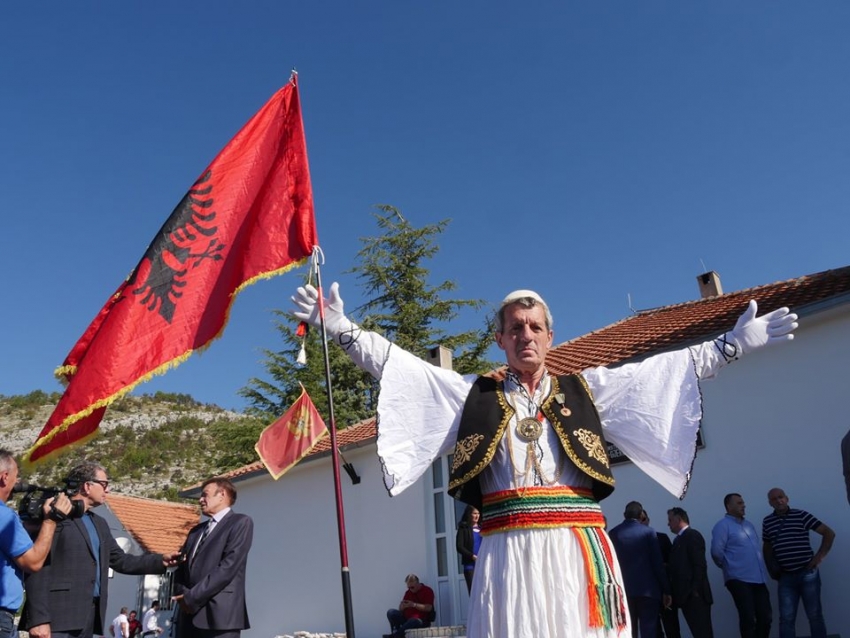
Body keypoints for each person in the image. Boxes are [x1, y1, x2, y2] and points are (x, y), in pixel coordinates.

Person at [293, 283, 797, 638]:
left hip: (579, 547)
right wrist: (340, 327)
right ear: (501, 339)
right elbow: (397, 367)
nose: (526, 334)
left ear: (550, 336)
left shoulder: (588, 389)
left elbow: (664, 372)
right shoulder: (473, 395)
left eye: (535, 326)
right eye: (515, 327)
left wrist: (731, 345)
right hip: (508, 551)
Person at [22, 461, 179, 638]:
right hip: (57, 619)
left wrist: (161, 561)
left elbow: (122, 561)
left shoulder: (100, 523)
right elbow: (37, 566)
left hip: (89, 618)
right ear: (87, 486)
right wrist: (38, 619)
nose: (108, 490)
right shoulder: (54, 515)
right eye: (104, 484)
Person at [0, 449, 72, 638]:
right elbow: (33, 562)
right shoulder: (5, 517)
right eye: (16, 477)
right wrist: (50, 521)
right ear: (4, 477)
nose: (17, 483)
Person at [173, 477, 253, 638]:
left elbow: (227, 568)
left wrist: (192, 597)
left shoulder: (240, 523)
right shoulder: (196, 531)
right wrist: (182, 595)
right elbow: (181, 568)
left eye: (205, 495)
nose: (200, 500)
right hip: (188, 617)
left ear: (222, 495)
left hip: (220, 617)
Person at [762, 487, 834, 638]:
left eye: (780, 497)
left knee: (814, 615)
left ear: (787, 498)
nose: (778, 500)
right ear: (770, 503)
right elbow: (767, 547)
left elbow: (828, 533)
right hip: (785, 577)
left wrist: (819, 557)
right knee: (786, 619)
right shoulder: (767, 522)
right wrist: (772, 570)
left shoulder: (801, 515)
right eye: (774, 499)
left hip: (808, 574)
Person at [710, 493, 771, 638]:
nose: (743, 505)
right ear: (728, 506)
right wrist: (730, 567)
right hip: (739, 579)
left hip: (758, 578)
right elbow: (716, 552)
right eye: (739, 503)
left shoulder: (748, 525)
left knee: (766, 617)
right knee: (748, 618)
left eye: (743, 502)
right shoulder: (722, 526)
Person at [609, 501, 670, 637]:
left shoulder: (614, 533)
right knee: (649, 630)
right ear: (642, 515)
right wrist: (666, 589)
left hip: (624, 590)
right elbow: (657, 563)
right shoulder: (648, 532)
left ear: (624, 515)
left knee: (629, 630)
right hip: (648, 590)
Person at [667, 507, 713, 638]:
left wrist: (694, 590)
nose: (668, 523)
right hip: (686, 597)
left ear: (679, 519)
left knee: (703, 633)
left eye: (670, 520)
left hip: (695, 597)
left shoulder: (692, 535)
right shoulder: (678, 540)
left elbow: (699, 564)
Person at [640, 510, 680, 638]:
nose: (642, 522)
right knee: (654, 631)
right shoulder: (633, 542)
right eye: (639, 520)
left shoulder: (661, 538)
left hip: (665, 591)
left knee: (672, 628)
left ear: (648, 519)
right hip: (646, 594)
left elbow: (673, 562)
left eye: (644, 519)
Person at [455, 505, 481, 594]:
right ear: (469, 514)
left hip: (483, 564)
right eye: (474, 513)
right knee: (474, 594)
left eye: (478, 513)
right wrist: (472, 556)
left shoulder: (483, 528)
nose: (477, 516)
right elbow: (459, 546)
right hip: (470, 566)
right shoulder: (463, 528)